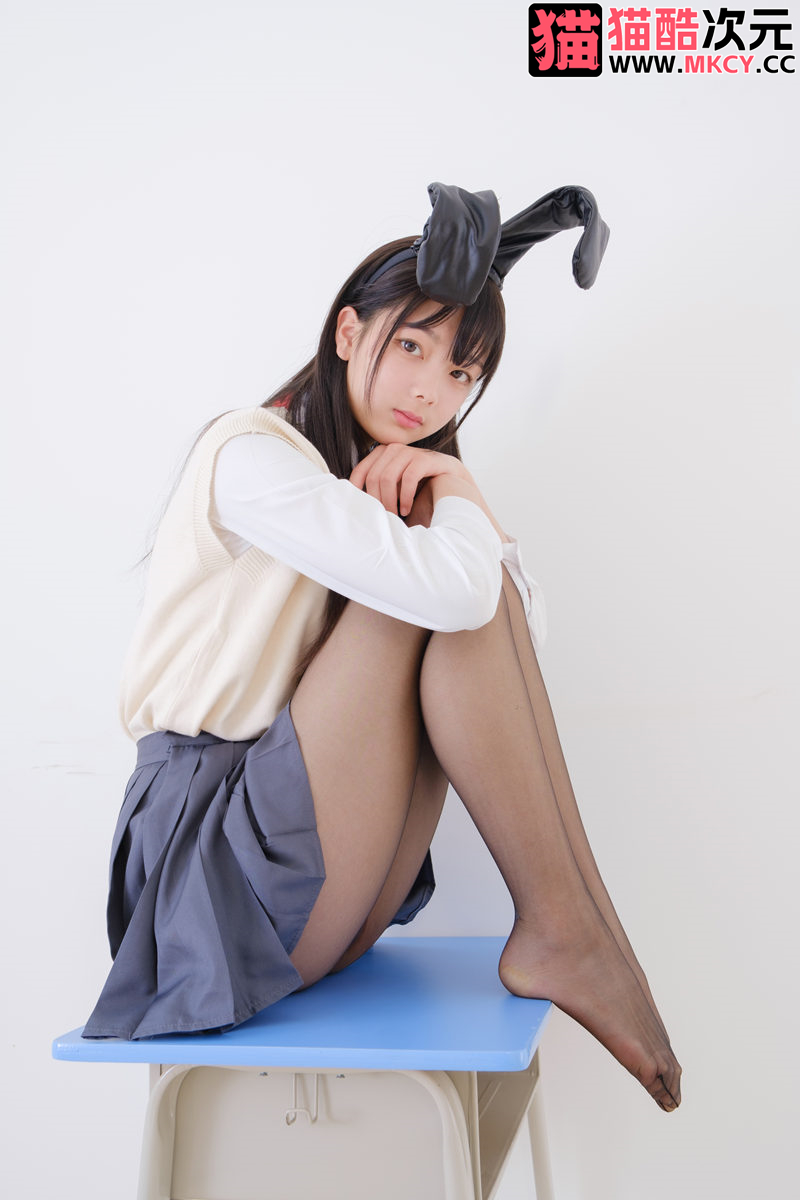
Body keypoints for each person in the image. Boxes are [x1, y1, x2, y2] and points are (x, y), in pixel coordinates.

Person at [84, 183, 682, 1112]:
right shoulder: (251, 456)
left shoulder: (372, 488)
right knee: (430, 588)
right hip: (204, 884)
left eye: (461, 373)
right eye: (412, 347)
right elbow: (463, 597)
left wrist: (453, 491)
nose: (431, 391)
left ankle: (570, 925)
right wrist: (457, 496)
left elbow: (508, 650)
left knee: (443, 589)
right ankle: (568, 928)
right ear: (348, 331)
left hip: (324, 896)